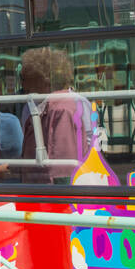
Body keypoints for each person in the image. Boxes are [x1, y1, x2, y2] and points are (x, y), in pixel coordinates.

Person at [18, 47, 93, 183]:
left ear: (44, 79)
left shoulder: (62, 108)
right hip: (37, 184)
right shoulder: (34, 105)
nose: (22, 85)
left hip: (51, 190)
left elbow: (63, 168)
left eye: (25, 78)